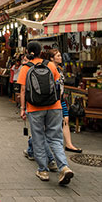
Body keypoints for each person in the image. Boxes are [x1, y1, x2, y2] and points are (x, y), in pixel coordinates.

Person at [18, 42, 74, 185]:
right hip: (54, 106)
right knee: (55, 138)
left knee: (38, 138)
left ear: (28, 52)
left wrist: (22, 109)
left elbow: (23, 90)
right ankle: (64, 166)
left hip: (34, 108)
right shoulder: (50, 65)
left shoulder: (25, 68)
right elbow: (57, 85)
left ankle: (43, 170)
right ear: (40, 52)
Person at [48, 49, 82, 153]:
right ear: (51, 58)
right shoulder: (50, 69)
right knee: (50, 123)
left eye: (60, 55)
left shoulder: (60, 69)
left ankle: (69, 144)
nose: (60, 57)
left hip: (61, 98)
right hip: (54, 99)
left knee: (65, 119)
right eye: (57, 56)